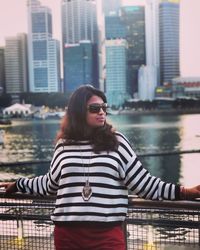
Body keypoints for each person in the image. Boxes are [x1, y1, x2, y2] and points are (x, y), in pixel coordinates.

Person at [1, 84, 200, 250]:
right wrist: (20, 184)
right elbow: (50, 184)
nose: (102, 112)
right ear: (78, 112)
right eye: (95, 108)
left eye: (104, 107)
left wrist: (185, 192)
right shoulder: (64, 145)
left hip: (106, 237)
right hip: (67, 236)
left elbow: (145, 184)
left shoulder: (117, 142)